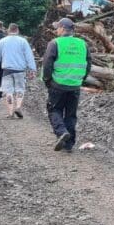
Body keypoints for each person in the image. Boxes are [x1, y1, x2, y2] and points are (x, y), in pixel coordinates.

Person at [42, 18, 91, 152]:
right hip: (75, 85)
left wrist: (47, 80)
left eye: (57, 27)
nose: (56, 30)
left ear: (63, 28)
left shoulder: (55, 43)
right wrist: (82, 79)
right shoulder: (83, 44)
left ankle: (62, 132)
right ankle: (69, 144)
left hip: (58, 84)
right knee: (71, 114)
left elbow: (47, 64)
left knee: (54, 110)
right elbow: (88, 64)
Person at [0, 23, 36, 119]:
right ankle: (18, 107)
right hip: (20, 70)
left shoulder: (2, 41)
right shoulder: (23, 41)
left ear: (8, 30)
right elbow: (29, 56)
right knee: (20, 89)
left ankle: (10, 113)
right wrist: (32, 69)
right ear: (17, 30)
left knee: (8, 91)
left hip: (7, 70)